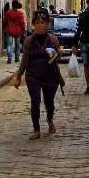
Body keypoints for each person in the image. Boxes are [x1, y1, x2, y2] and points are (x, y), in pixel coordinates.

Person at [13, 8, 65, 140]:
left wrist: (56, 53)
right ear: (34, 25)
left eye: (42, 22)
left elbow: (58, 57)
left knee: (49, 102)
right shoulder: (28, 41)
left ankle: (49, 120)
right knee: (35, 99)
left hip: (50, 75)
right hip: (33, 75)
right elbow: (24, 60)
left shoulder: (52, 39)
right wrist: (19, 77)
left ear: (46, 23)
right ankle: (36, 129)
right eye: (37, 23)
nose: (39, 25)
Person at [3, 0, 26, 64]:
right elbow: (22, 23)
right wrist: (23, 31)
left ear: (12, 5)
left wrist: (5, 28)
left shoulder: (8, 13)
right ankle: (17, 58)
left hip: (9, 30)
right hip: (18, 31)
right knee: (17, 45)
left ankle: (9, 57)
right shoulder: (20, 14)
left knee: (9, 44)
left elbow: (4, 21)